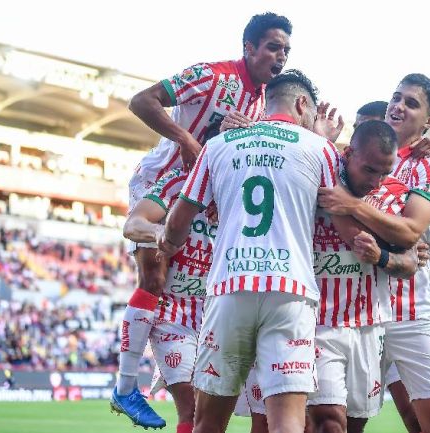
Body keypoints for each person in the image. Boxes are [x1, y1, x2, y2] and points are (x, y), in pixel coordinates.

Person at [111, 12, 293, 428]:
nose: (280, 56)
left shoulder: (265, 102)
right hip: (165, 180)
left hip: (207, 191)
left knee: (188, 280)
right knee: (155, 271)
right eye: (272, 47)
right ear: (248, 47)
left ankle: (171, 363)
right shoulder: (212, 76)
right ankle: (125, 386)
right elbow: (142, 101)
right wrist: (189, 141)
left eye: (285, 50)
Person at [157, 69, 341, 433]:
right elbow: (341, 213)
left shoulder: (218, 145)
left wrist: (170, 243)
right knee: (286, 422)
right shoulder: (320, 148)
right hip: (290, 292)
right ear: (302, 104)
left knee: (207, 421)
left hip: (229, 289)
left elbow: (179, 221)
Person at [318, 73, 430, 433]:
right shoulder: (360, 157)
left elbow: (411, 231)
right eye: (396, 98)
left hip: (413, 308)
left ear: (429, 122)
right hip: (357, 311)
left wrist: (351, 205)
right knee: (345, 420)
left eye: (411, 103)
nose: (398, 106)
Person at [307, 120, 425, 433]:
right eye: (370, 169)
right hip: (318, 323)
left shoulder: (395, 197)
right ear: (348, 154)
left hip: (369, 326)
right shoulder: (313, 179)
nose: (376, 181)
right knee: (329, 422)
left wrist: (382, 256)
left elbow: (411, 262)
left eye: (385, 171)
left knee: (355, 425)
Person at [114, 124, 221, 433]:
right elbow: (133, 224)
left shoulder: (239, 193)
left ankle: (125, 389)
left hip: (212, 309)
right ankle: (124, 387)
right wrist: (158, 231)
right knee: (192, 407)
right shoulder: (177, 183)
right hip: (173, 313)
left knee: (209, 413)